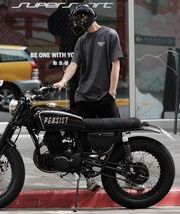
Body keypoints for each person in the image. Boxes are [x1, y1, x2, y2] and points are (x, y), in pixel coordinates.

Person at [54, 4, 123, 191]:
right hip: (84, 97)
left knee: (119, 137)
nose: (76, 24)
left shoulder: (110, 35)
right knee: (82, 141)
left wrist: (112, 91)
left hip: (105, 97)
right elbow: (74, 64)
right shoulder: (82, 41)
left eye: (78, 20)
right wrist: (63, 81)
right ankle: (90, 179)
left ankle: (129, 178)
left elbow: (116, 64)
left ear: (86, 17)